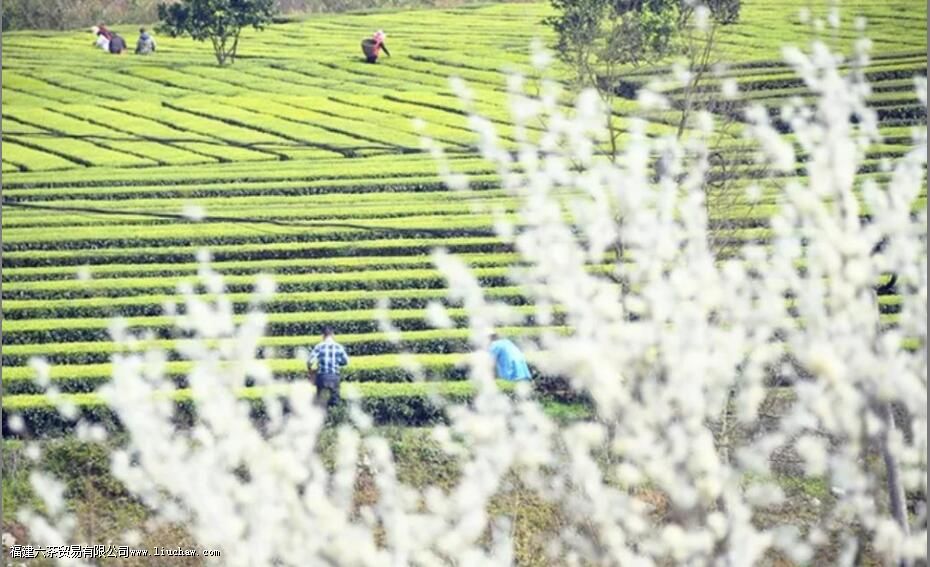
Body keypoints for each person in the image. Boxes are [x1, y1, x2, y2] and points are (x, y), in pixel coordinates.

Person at [308, 326, 349, 408]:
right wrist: (337, 363)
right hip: (334, 377)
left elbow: (310, 361)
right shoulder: (339, 347)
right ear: (332, 335)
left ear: (323, 335)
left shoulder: (319, 346)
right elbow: (346, 361)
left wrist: (310, 370)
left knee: (320, 403)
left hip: (322, 377)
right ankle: (334, 418)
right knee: (335, 402)